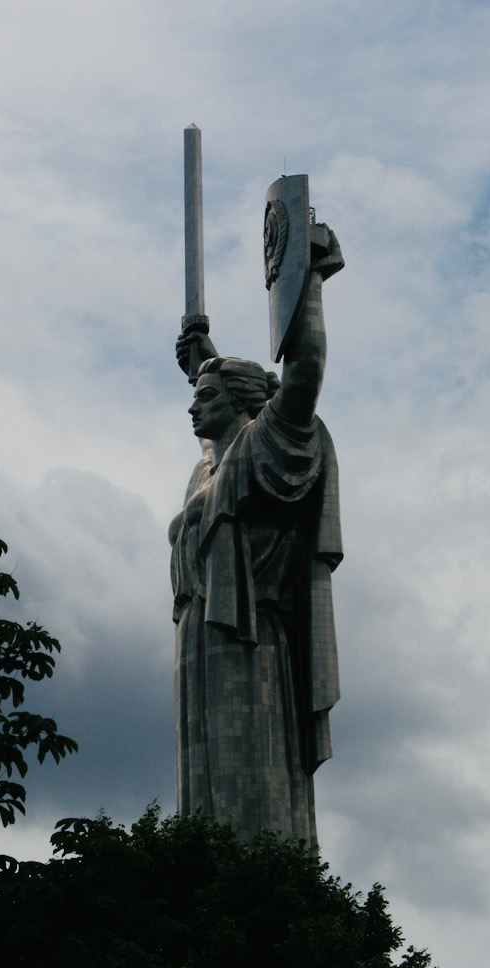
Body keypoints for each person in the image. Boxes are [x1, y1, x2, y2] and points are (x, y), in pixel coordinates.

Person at [169, 226, 343, 844]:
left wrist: (309, 283)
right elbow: (220, 407)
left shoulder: (262, 448)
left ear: (241, 404)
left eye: (205, 396)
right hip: (198, 634)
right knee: (203, 784)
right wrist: (206, 361)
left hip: (249, 638)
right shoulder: (208, 467)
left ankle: (263, 888)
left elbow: (303, 375)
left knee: (250, 778)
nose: (192, 406)